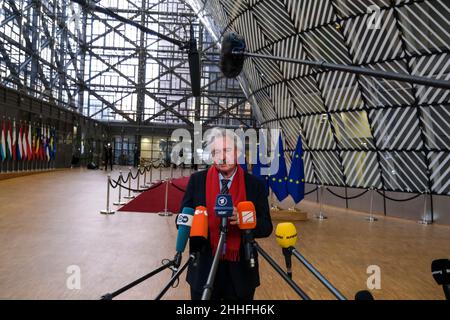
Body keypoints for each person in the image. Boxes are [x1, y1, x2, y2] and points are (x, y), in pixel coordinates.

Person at [179, 128, 273, 300]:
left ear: (237, 152)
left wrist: (244, 220)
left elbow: (266, 227)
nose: (222, 157)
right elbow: (182, 221)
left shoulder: (255, 185)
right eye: (216, 152)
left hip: (240, 271)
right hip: (203, 268)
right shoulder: (197, 181)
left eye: (227, 151)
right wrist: (199, 221)